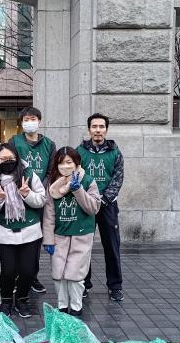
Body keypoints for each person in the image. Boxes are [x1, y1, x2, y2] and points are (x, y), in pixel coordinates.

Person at [0, 143, 46, 318]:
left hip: (30, 231)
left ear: (17, 159)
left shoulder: (28, 174)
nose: (8, 162)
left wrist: (27, 194)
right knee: (8, 271)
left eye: (11, 158)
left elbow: (41, 200)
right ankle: (6, 301)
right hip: (6, 233)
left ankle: (22, 299)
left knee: (27, 271)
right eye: (3, 159)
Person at [42, 147, 101, 317]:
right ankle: (62, 307)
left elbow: (93, 207)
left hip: (81, 234)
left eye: (69, 162)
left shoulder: (88, 181)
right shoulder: (53, 184)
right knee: (58, 273)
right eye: (61, 163)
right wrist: (48, 239)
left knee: (75, 275)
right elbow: (49, 214)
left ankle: (76, 307)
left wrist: (78, 190)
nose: (65, 166)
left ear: (77, 163)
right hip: (59, 235)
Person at [8, 106, 56, 295]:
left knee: (35, 239)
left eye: (33, 119)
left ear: (39, 121)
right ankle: (16, 277)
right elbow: (10, 165)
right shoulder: (14, 141)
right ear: (21, 123)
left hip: (40, 196)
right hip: (18, 195)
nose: (30, 122)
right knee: (17, 237)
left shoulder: (49, 144)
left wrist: (40, 188)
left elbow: (52, 171)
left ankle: (32, 276)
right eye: (26, 119)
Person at [77, 113, 125, 302]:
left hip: (107, 206)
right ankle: (84, 283)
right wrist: (86, 199)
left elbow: (117, 178)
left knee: (112, 246)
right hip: (86, 205)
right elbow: (75, 175)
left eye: (101, 126)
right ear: (89, 129)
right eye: (94, 126)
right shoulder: (80, 152)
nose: (98, 130)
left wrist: (104, 199)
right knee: (84, 247)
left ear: (106, 129)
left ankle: (115, 286)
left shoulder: (115, 153)